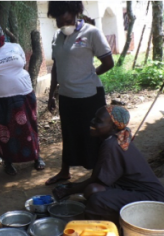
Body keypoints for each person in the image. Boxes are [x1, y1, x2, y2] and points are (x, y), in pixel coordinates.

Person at [52, 105, 164, 227]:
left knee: (96, 200)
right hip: (132, 188)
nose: (92, 121)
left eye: (98, 121)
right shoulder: (117, 138)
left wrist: (68, 190)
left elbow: (97, 180)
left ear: (113, 126)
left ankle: (95, 231)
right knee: (92, 190)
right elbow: (98, 178)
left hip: (151, 200)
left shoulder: (112, 145)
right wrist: (72, 188)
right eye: (94, 118)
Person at [45, 0, 114, 185]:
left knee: (94, 134)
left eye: (64, 18)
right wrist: (52, 95)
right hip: (67, 96)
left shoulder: (91, 33)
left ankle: (100, 174)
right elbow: (57, 68)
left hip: (89, 96)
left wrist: (91, 74)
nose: (61, 23)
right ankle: (64, 172)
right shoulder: (56, 37)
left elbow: (108, 63)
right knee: (68, 134)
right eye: (58, 19)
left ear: (75, 12)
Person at [0, 20, 45, 176]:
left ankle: (37, 157)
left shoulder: (15, 47)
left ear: (2, 32)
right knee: (4, 131)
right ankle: (8, 162)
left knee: (30, 127)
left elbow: (21, 66)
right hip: (0, 100)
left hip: (24, 94)